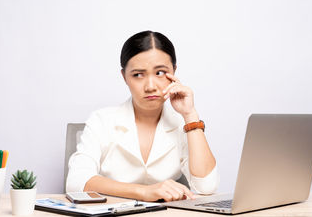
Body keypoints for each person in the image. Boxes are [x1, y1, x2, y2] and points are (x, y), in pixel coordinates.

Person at [66, 31, 219, 202]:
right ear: (124, 77)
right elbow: (76, 181)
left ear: (174, 72)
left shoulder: (181, 124)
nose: (150, 86)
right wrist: (144, 192)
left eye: (160, 73)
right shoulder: (102, 120)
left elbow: (206, 187)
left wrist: (190, 116)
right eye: (138, 75)